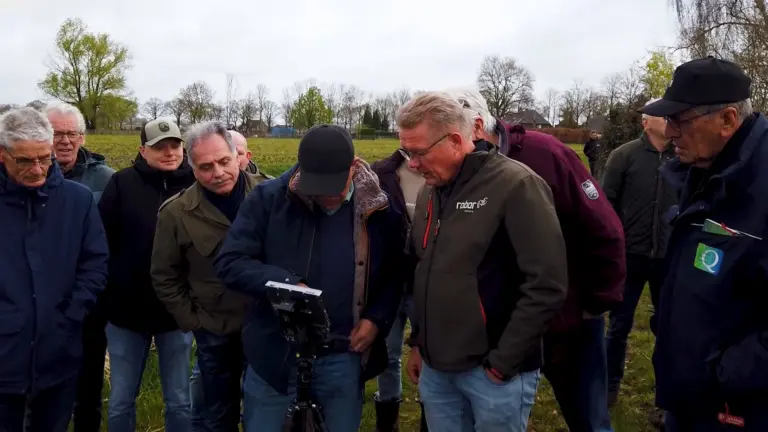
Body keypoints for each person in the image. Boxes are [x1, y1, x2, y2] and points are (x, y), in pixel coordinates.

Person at [449, 88, 626, 432]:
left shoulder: (545, 155)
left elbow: (604, 228)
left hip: (566, 319)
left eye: (454, 137)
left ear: (478, 126)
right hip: (500, 327)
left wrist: (593, 304)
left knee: (588, 418)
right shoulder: (456, 168)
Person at [214, 124, 404, 432]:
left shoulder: (380, 208)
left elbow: (395, 273)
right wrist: (285, 285)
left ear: (354, 166)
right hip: (275, 356)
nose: (326, 195)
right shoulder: (268, 199)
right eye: (317, 185)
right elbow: (230, 263)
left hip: (343, 356)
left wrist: (377, 318)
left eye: (334, 185)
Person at [400, 92, 568, 432]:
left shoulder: (517, 185)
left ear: (456, 140)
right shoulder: (429, 190)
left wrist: (503, 363)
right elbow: (423, 271)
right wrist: (419, 343)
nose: (412, 164)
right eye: (407, 153)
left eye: (419, 153)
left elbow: (547, 284)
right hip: (437, 369)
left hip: (493, 375)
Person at [642, 56, 768, 431]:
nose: (668, 132)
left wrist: (723, 374)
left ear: (727, 120)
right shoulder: (699, 173)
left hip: (741, 407)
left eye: (679, 120)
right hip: (689, 397)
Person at [152, 121, 272, 431]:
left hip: (269, 326)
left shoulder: (271, 196)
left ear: (238, 156)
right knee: (218, 414)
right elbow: (165, 276)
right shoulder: (176, 213)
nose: (217, 172)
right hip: (215, 331)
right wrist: (194, 323)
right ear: (192, 168)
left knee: (269, 410)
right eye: (205, 166)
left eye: (223, 161)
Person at [0, 107, 108, 431]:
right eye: (24, 160)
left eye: (44, 158)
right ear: (2, 155)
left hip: (58, 351)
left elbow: (95, 263)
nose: (37, 169)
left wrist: (71, 313)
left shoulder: (78, 200)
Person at [99, 119, 196, 432]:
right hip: (126, 314)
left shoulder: (197, 184)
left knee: (180, 400)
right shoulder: (121, 184)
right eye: (159, 147)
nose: (168, 152)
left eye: (174, 145)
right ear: (143, 150)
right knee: (120, 403)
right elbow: (102, 242)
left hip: (176, 315)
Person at [43, 100, 115, 432]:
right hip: (40, 302)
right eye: (57, 133)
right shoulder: (27, 176)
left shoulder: (106, 179)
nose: (65, 140)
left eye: (72, 133)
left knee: (87, 389)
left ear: (82, 138)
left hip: (89, 301)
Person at [601, 98, 677, 407]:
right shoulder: (624, 156)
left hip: (668, 260)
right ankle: (608, 388)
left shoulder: (682, 157)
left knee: (670, 328)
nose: (670, 119)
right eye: (662, 115)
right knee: (618, 326)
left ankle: (668, 393)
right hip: (629, 257)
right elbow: (605, 206)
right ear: (647, 122)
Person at [371, 144, 425, 432]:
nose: (416, 161)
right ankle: (387, 418)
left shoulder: (442, 173)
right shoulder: (381, 173)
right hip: (389, 281)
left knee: (430, 352)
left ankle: (431, 412)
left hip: (425, 284)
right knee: (388, 353)